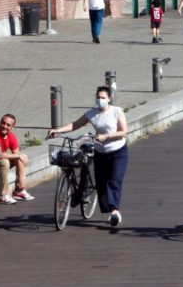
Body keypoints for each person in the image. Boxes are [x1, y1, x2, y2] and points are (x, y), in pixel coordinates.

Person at [48, 86, 129, 226]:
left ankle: (114, 212)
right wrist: (57, 130)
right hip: (100, 152)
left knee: (114, 180)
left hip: (118, 151)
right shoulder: (92, 113)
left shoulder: (117, 111)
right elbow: (75, 125)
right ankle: (108, 207)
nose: (100, 100)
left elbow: (123, 132)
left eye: (103, 97)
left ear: (110, 99)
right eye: (98, 97)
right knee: (101, 183)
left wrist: (107, 136)